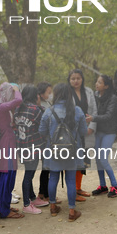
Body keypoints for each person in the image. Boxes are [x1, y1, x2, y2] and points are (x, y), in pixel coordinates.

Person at [39, 83, 87, 222]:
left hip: (53, 150)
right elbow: (83, 132)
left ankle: (53, 207)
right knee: (71, 179)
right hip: (71, 151)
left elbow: (42, 131)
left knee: (53, 177)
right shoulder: (77, 110)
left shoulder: (49, 111)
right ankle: (72, 211)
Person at [14, 85, 48, 214]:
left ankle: (32, 197)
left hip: (22, 146)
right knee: (29, 175)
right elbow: (44, 127)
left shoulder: (18, 108)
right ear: (36, 96)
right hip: (33, 146)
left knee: (30, 173)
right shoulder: (37, 109)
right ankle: (27, 204)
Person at [0, 82, 24, 219]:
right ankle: (4, 210)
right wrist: (16, 89)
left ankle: (3, 206)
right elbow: (19, 100)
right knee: (7, 176)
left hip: (3, 141)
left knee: (2, 176)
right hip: (6, 143)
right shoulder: (0, 107)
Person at [87, 75, 117, 198]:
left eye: (100, 82)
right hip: (98, 131)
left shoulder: (112, 98)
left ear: (106, 86)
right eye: (97, 81)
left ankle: (115, 186)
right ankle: (103, 186)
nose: (97, 84)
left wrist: (93, 118)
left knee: (103, 159)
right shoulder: (95, 96)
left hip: (109, 132)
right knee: (98, 160)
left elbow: (109, 116)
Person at [67, 69, 96, 200]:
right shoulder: (66, 92)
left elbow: (94, 109)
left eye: (78, 78)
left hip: (87, 130)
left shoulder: (88, 91)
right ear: (69, 80)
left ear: (82, 79)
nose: (75, 81)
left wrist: (92, 126)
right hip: (72, 132)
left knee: (82, 161)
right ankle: (72, 191)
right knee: (72, 162)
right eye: (73, 78)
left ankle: (78, 188)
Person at [35, 82, 55, 202]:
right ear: (41, 94)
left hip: (48, 140)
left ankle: (43, 192)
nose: (50, 94)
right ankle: (45, 194)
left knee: (46, 168)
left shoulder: (47, 102)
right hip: (44, 141)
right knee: (46, 168)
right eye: (48, 92)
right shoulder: (41, 106)